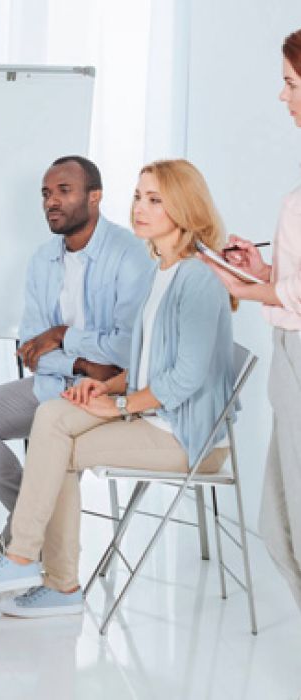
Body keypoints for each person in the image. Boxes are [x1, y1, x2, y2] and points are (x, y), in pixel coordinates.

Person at [0, 159, 235, 617]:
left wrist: (123, 404)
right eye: (139, 197)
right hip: (156, 418)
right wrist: (107, 389)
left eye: (155, 199)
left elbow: (185, 377)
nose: (140, 208)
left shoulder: (197, 279)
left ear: (184, 207)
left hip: (189, 437)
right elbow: (147, 362)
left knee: (56, 443)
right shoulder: (163, 272)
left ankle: (36, 566)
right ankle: (37, 567)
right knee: (52, 417)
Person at [0, 155, 152, 573]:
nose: (51, 202)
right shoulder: (43, 259)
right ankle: (30, 527)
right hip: (56, 383)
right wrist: (82, 361)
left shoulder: (130, 255)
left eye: (63, 191)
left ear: (95, 198)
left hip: (106, 395)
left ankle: (19, 539)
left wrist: (61, 336)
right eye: (45, 193)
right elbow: (30, 347)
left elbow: (127, 351)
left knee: (54, 433)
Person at [201, 28, 301, 610]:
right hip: (290, 351)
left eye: (291, 84)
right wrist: (264, 275)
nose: (283, 97)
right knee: (280, 515)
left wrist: (251, 287)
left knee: (290, 518)